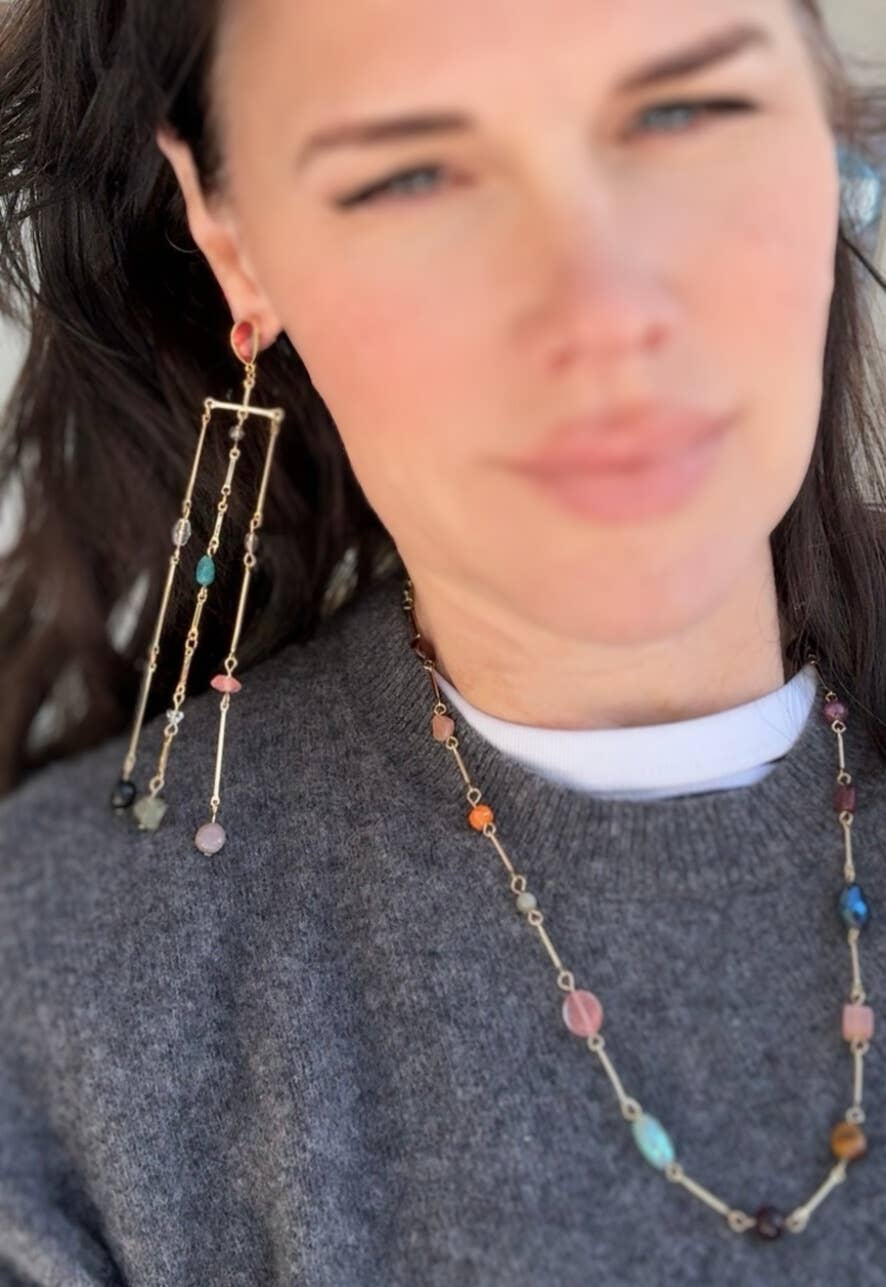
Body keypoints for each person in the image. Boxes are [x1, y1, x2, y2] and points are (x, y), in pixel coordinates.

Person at [1, 0, 886, 1281]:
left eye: (685, 110)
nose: (604, 312)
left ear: (822, 126)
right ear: (232, 238)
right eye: (411, 176)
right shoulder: (56, 1012)